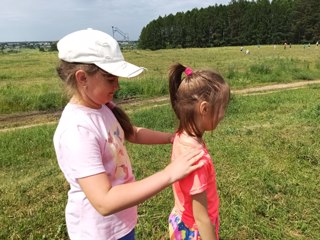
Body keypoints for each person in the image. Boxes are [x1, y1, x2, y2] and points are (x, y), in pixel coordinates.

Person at [53, 28, 204, 240]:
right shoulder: (77, 130)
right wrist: (169, 174)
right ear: (82, 78)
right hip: (99, 232)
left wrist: (171, 138)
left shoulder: (102, 106)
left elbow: (132, 133)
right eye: (110, 79)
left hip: (120, 224)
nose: (118, 85)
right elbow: (104, 201)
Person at [167, 63, 230, 240]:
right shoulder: (197, 159)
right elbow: (202, 218)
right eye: (222, 107)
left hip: (179, 220)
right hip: (195, 232)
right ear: (204, 108)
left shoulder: (180, 137)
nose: (223, 114)